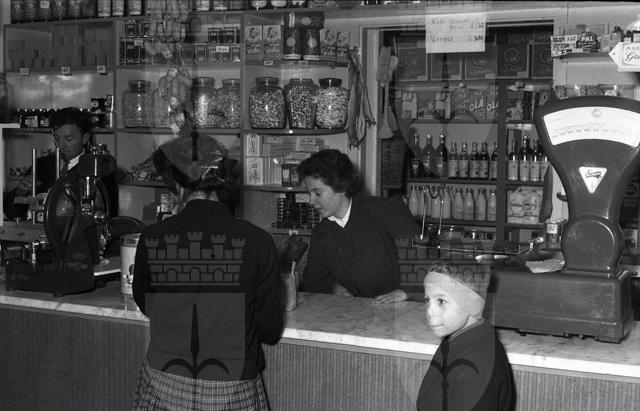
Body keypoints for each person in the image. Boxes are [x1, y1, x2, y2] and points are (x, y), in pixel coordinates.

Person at [132, 135, 284, 410]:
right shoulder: (257, 241)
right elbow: (269, 329)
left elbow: (147, 304)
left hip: (164, 378)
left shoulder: (153, 237)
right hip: (231, 382)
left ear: (179, 187)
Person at [298, 149, 421, 303]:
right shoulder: (322, 232)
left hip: (406, 308)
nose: (311, 201)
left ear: (341, 187)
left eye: (317, 193)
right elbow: (312, 285)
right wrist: (332, 289)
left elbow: (424, 258)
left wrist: (406, 292)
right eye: (308, 193)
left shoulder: (386, 210)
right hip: (363, 312)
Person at [417, 262, 515, 411]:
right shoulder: (459, 339)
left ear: (471, 304)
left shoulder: (474, 370)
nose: (430, 311)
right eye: (427, 300)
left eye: (441, 301)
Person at [3, 107, 118, 220]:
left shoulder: (97, 168)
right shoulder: (43, 164)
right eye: (57, 138)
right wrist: (20, 193)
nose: (61, 145)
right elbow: (11, 212)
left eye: (69, 139)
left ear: (85, 138)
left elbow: (108, 214)